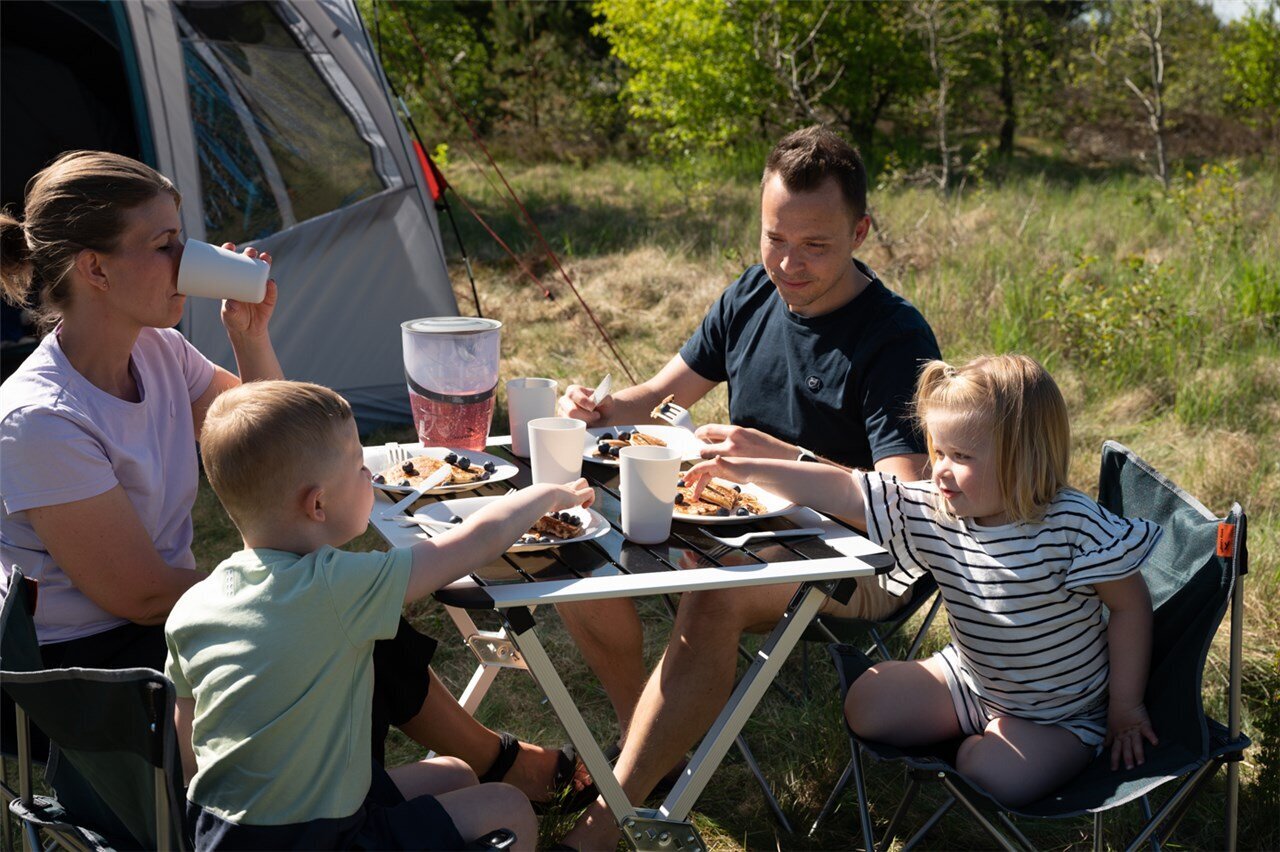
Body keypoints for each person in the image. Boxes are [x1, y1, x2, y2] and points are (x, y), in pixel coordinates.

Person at [0, 151, 583, 804]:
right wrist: (298, 593)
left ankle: (459, 775)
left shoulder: (159, 352)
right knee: (329, 613)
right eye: (167, 245)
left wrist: (250, 336)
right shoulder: (39, 420)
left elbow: (276, 454)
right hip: (90, 679)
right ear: (96, 268)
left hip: (166, 630)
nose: (187, 261)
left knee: (337, 611)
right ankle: (491, 769)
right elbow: (134, 595)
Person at [556, 127, 941, 846]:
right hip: (735, 517)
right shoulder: (753, 291)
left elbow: (908, 502)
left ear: (860, 231)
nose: (789, 264)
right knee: (581, 537)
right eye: (774, 239)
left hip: (859, 556)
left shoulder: (894, 337)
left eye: (816, 245)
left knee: (717, 585)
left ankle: (611, 817)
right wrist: (599, 409)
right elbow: (661, 393)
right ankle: (650, 754)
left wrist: (782, 459)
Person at [681, 354, 1161, 807]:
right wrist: (747, 470)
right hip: (971, 682)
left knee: (988, 772)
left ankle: (997, 748)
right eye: (938, 451)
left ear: (1025, 455)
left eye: (961, 457)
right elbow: (847, 490)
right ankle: (979, 733)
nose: (942, 471)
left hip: (1060, 715)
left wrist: (1126, 707)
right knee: (865, 705)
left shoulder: (1073, 525)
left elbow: (1130, 606)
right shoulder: (935, 508)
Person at [169, 380, 595, 849]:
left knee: (454, 772)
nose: (368, 477)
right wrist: (545, 496)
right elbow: (472, 542)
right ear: (318, 504)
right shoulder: (337, 587)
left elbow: (190, 743)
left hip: (217, 834)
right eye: (358, 468)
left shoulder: (193, 606)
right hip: (317, 837)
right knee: (509, 811)